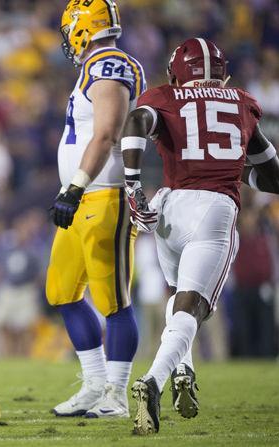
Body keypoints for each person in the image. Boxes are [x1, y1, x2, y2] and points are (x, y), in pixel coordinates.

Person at [121, 37, 279, 435]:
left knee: (177, 298)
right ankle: (153, 381)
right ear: (221, 73)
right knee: (192, 308)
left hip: (168, 206)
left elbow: (137, 120)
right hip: (213, 207)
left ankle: (184, 372)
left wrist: (132, 184)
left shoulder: (165, 96)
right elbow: (273, 175)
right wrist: (235, 166)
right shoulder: (241, 102)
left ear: (176, 74)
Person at [46, 0, 145, 418]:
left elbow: (105, 134)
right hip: (80, 196)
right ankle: (93, 384)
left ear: (83, 28)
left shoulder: (110, 64)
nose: (68, 39)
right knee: (62, 291)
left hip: (103, 194)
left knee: (114, 301)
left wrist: (76, 185)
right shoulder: (94, 65)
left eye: (71, 30)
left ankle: (116, 394)